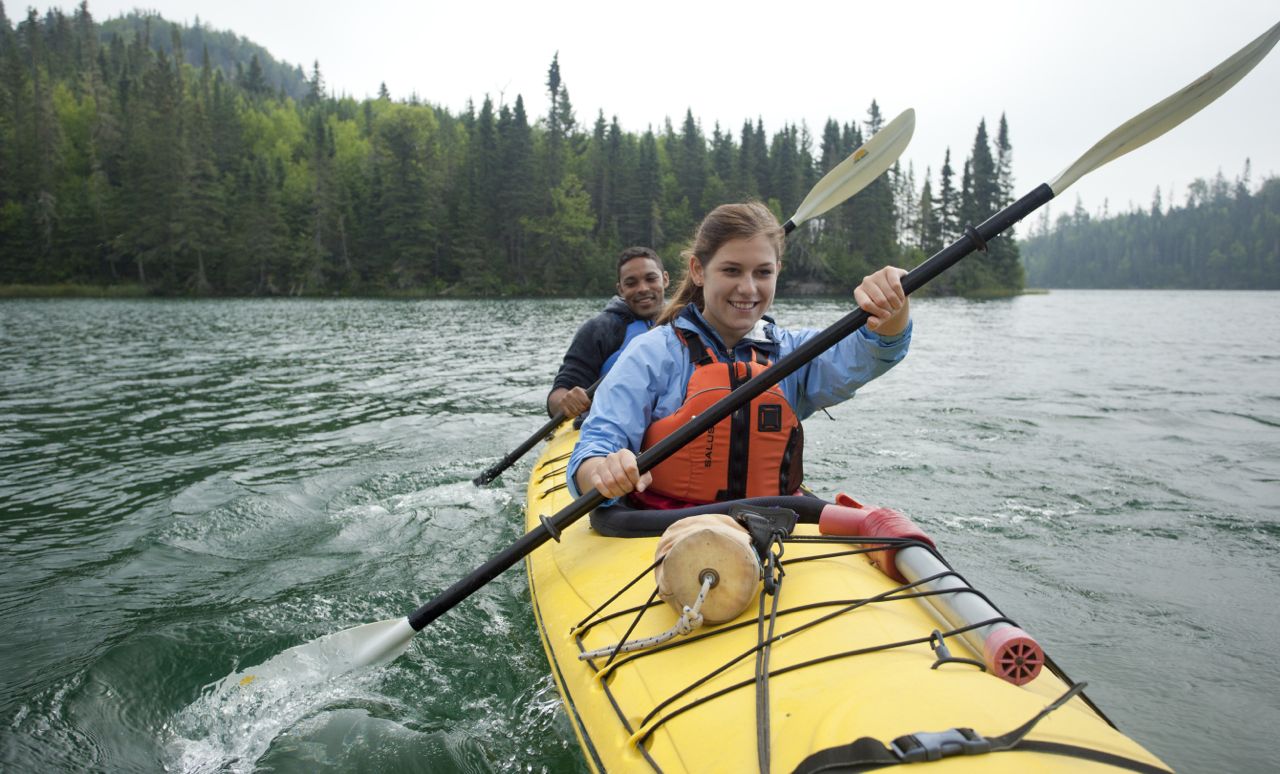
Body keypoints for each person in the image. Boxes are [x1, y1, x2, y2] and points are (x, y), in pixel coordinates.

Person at [568, 201, 912, 507]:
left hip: (769, 525)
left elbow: (871, 351)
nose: (748, 288)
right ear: (698, 271)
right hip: (665, 528)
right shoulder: (652, 353)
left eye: (763, 272)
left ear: (778, 271)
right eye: (731, 270)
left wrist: (894, 307)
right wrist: (603, 471)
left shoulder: (792, 352)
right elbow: (594, 450)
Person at [546, 246, 670, 418]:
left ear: (665, 279)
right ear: (620, 289)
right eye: (631, 283)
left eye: (651, 279)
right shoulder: (599, 329)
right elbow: (558, 395)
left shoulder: (685, 323)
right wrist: (566, 401)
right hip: (615, 423)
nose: (642, 288)